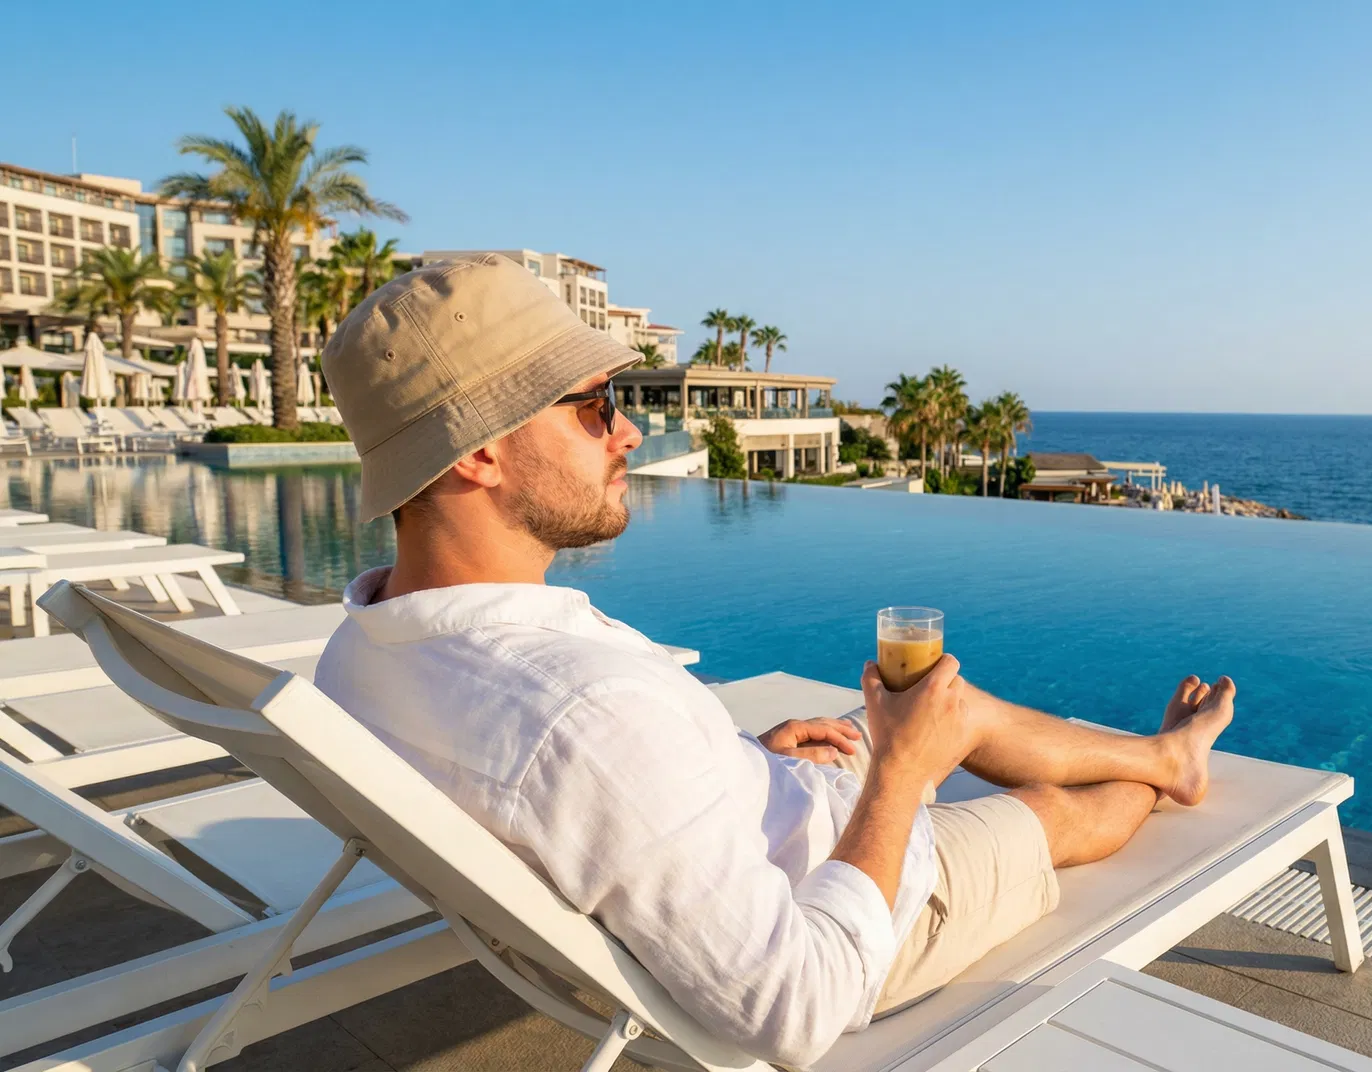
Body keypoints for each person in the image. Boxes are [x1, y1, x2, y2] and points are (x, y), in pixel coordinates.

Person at [314, 254, 1237, 1067]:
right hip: (863, 921)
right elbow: (796, 1007)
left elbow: (605, 796)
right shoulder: (582, 716)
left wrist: (738, 762)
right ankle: (1167, 771)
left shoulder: (364, 649)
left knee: (955, 711)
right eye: (595, 409)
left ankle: (1159, 755)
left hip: (755, 823)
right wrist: (903, 783)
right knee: (1042, 811)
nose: (630, 432)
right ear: (478, 454)